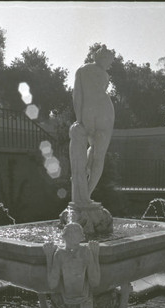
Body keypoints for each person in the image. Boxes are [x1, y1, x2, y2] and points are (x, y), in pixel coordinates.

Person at [69, 45, 115, 206]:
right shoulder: (98, 73)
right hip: (105, 114)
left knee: (95, 151)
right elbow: (79, 95)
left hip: (90, 115)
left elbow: (77, 96)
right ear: (101, 58)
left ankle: (84, 195)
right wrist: (80, 119)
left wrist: (80, 118)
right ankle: (86, 194)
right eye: (109, 61)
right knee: (98, 154)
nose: (109, 65)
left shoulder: (83, 70)